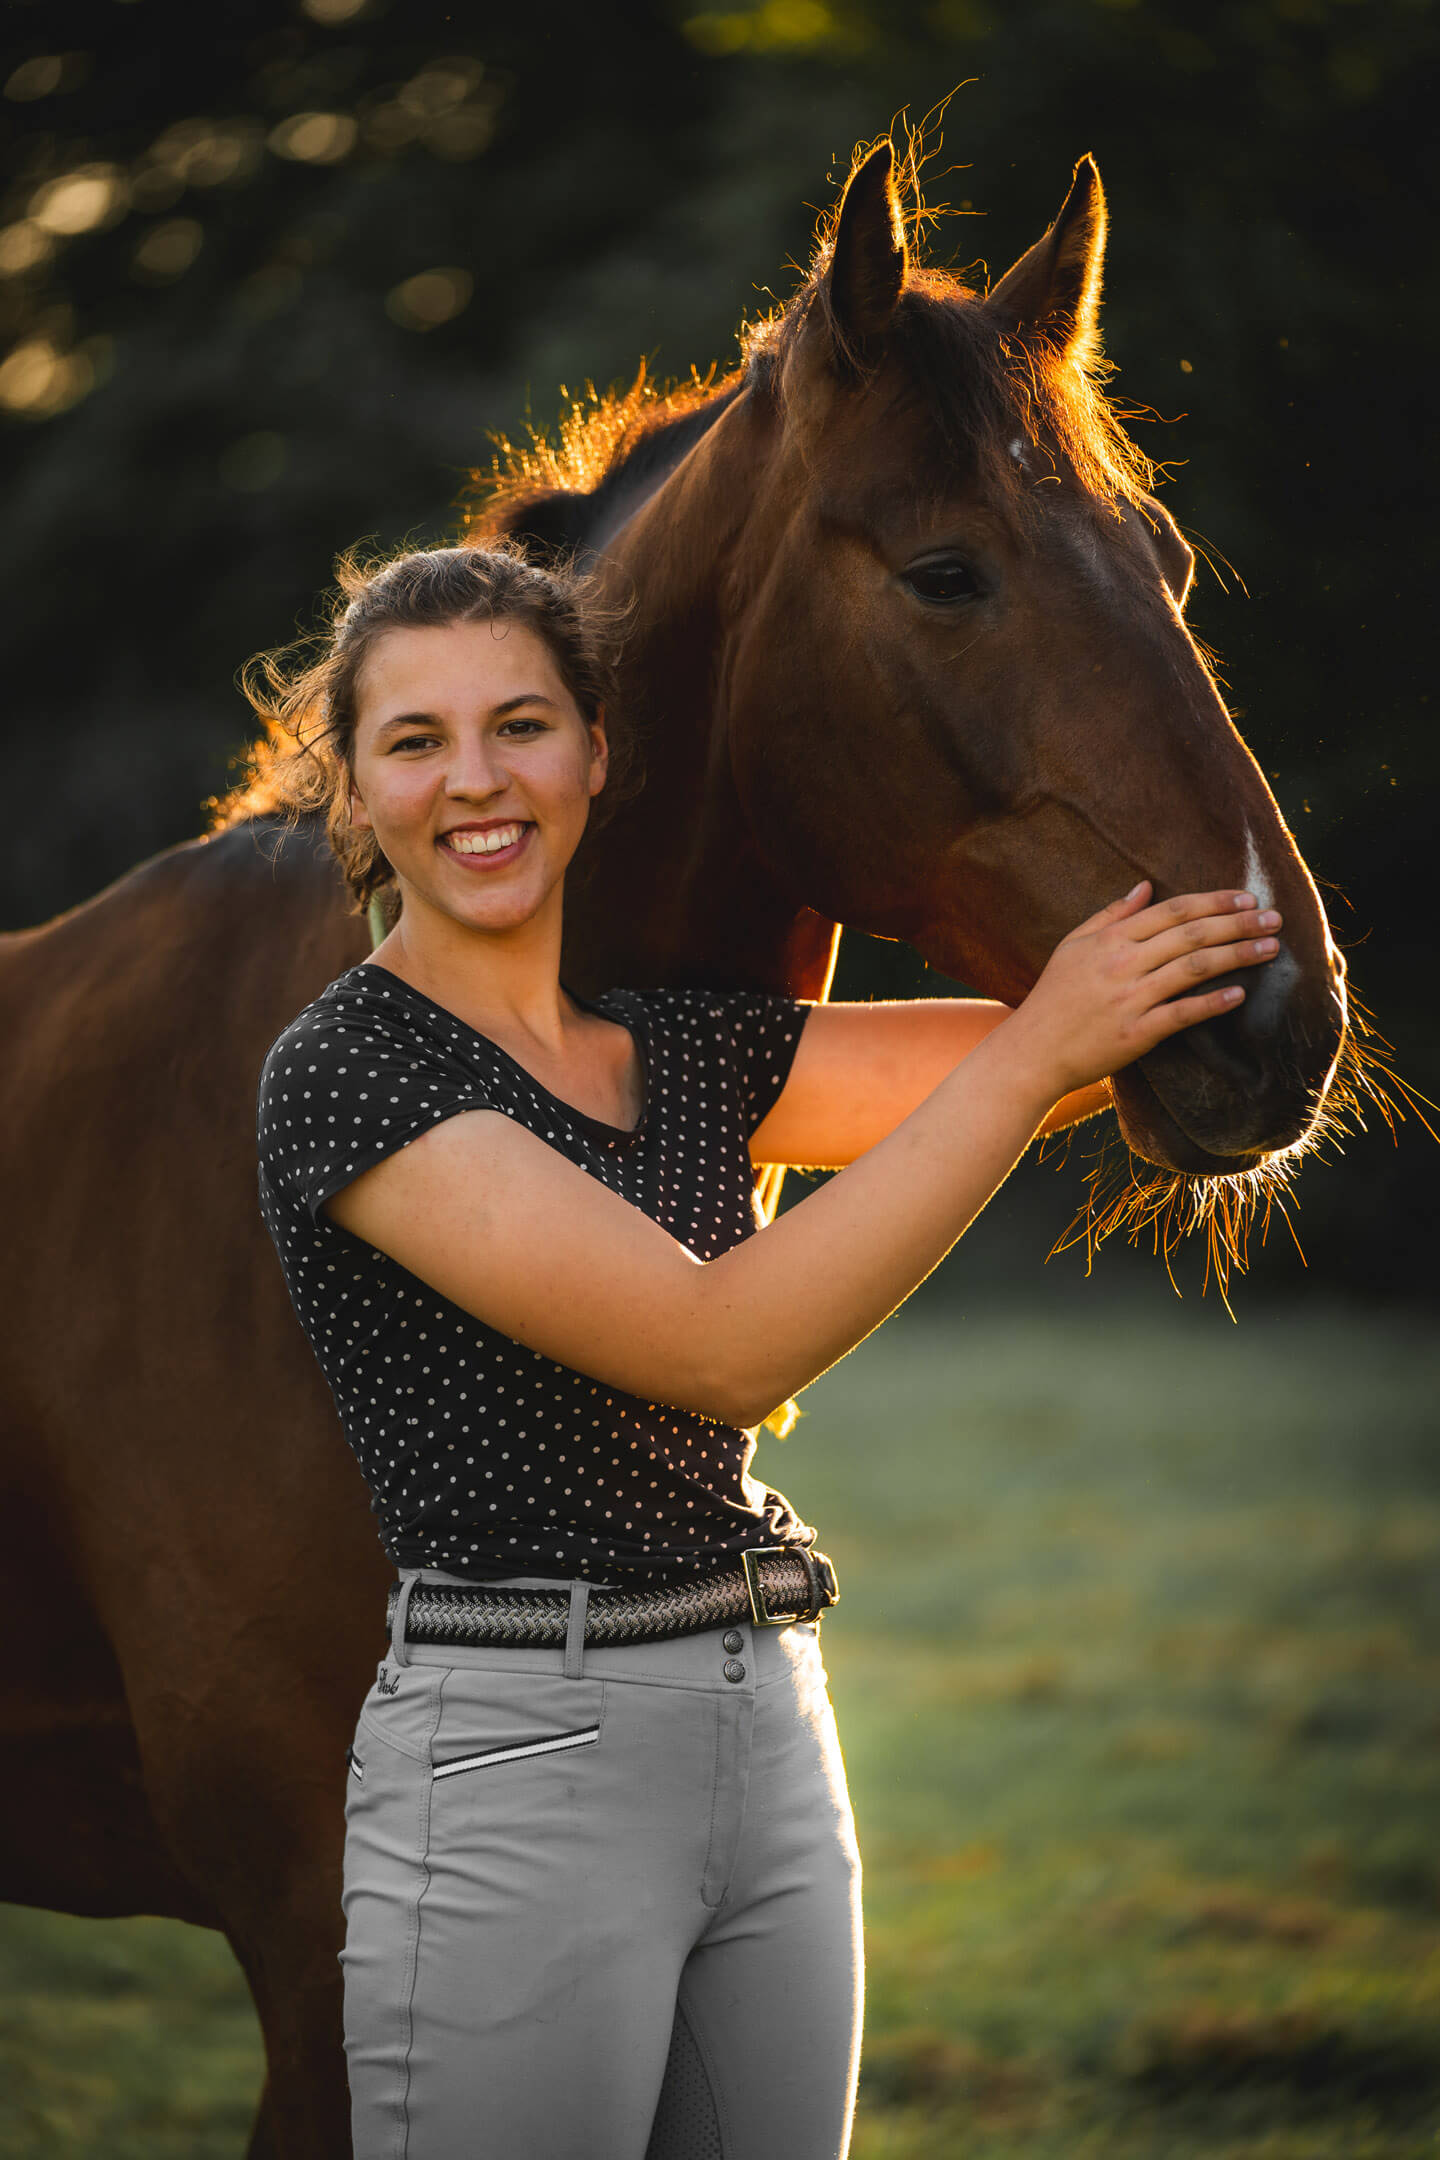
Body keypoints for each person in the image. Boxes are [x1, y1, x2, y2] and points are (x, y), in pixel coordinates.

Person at [251, 541, 1283, 2160]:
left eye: (522, 726)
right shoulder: (350, 1072)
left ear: (597, 754)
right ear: (357, 786)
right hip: (522, 1754)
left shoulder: (679, 1049)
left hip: (768, 1717)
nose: (477, 781)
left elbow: (1059, 1045)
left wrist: (1227, 937)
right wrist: (1043, 1052)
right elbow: (724, 1347)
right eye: (416, 741)